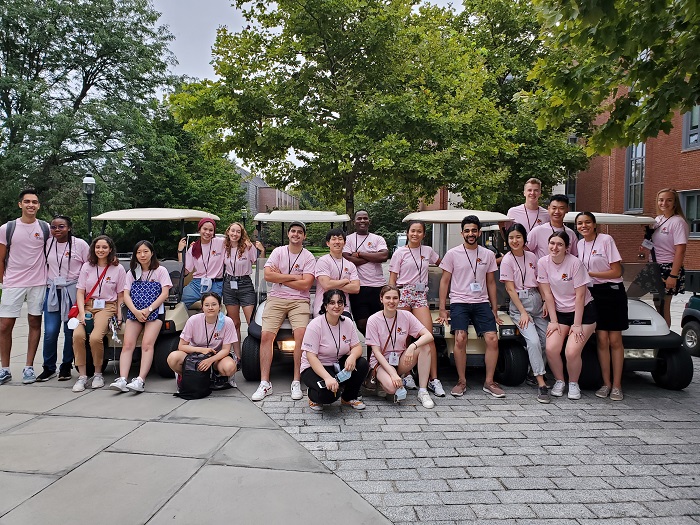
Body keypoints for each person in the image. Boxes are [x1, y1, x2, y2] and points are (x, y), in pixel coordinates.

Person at [437, 215, 505, 398]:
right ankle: (461, 381)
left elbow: (491, 283)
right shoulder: (452, 254)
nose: (471, 233)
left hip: (481, 302)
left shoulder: (488, 254)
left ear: (479, 232)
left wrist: (494, 308)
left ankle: (489, 382)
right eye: (467, 230)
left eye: (474, 230)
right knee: (460, 338)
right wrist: (443, 308)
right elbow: (445, 282)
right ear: (462, 233)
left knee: (492, 338)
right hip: (459, 302)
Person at [252, 221, 315, 401]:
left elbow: (306, 284)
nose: (296, 234)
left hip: (299, 301)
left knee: (301, 335)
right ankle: (265, 383)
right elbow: (268, 275)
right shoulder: (279, 252)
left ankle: (296, 380)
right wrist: (294, 277)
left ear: (304, 236)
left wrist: (281, 278)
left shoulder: (308, 257)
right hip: (277, 298)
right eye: (293, 231)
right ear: (289, 234)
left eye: (299, 232)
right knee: (266, 335)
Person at [388, 220, 445, 397]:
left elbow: (444, 264)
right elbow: (392, 279)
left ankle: (433, 379)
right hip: (403, 293)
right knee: (402, 336)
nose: (415, 234)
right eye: (413, 231)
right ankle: (405, 374)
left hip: (420, 296)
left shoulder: (428, 251)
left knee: (427, 337)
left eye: (419, 231)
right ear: (407, 233)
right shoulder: (400, 253)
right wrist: (392, 299)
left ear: (423, 234)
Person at [537, 231, 597, 400]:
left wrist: (577, 325)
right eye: (552, 243)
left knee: (571, 352)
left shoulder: (575, 263)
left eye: (559, 244)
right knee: (551, 348)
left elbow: (580, 296)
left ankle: (573, 383)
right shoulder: (542, 262)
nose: (555, 247)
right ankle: (560, 380)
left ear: (567, 248)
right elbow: (547, 294)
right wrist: (553, 321)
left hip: (583, 312)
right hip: (560, 313)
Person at [575, 212, 628, 401]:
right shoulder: (579, 244)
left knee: (615, 340)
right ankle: (606, 384)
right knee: (602, 340)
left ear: (595, 224)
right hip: (592, 293)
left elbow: (616, 270)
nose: (584, 226)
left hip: (612, 293)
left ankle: (617, 385)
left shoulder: (606, 240)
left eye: (587, 222)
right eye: (580, 223)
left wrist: (589, 273)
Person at [0, 189, 50, 385]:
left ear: (38, 205)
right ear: (20, 204)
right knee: (4, 326)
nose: (31, 205)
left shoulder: (45, 228)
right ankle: (5, 369)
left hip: (38, 282)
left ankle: (28, 367)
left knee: (35, 323)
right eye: (27, 201)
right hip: (13, 282)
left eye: (35, 202)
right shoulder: (7, 228)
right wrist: (3, 281)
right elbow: (1, 258)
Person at [109, 241, 172, 393]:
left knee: (147, 345)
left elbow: (165, 293)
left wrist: (149, 309)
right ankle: (123, 379)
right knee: (128, 344)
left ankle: (140, 380)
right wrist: (136, 311)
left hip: (155, 312)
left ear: (152, 252)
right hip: (135, 312)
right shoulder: (131, 272)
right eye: (138, 252)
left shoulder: (160, 271)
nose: (142, 255)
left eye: (145, 251)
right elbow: (126, 294)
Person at [500, 223, 550, 403]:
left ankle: (531, 371)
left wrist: (545, 301)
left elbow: (541, 281)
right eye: (511, 237)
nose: (515, 241)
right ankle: (541, 382)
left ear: (524, 239)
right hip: (520, 304)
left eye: (518, 237)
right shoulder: (507, 260)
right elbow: (510, 289)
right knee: (534, 341)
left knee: (547, 340)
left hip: (536, 300)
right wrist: (522, 312)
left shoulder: (532, 256)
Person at [37, 215, 90, 382]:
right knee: (50, 332)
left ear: (69, 228)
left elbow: (90, 265)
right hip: (53, 291)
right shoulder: (47, 243)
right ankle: (48, 367)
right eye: (53, 227)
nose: (57, 230)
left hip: (72, 291)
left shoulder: (80, 244)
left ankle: (66, 366)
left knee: (70, 331)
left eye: (61, 227)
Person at [366, 285, 436, 408]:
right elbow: (376, 352)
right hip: (380, 362)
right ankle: (384, 383)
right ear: (381, 299)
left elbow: (428, 335)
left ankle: (423, 391)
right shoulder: (373, 320)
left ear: (399, 299)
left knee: (425, 347)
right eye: (388, 298)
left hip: (400, 360)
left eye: (395, 298)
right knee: (392, 388)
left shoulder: (406, 316)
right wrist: (392, 373)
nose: (391, 301)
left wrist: (412, 346)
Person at [72, 235, 126, 392]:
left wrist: (120, 315)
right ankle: (82, 376)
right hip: (87, 306)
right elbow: (80, 292)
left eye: (104, 247)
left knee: (96, 337)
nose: (100, 250)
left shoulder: (118, 268)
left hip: (107, 307)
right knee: (77, 336)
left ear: (110, 249)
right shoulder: (87, 266)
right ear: (93, 249)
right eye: (97, 247)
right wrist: (81, 313)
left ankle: (97, 373)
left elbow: (121, 294)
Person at [300, 289, 369, 411]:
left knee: (361, 363)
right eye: (332, 303)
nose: (336, 306)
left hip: (336, 364)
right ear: (325, 306)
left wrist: (352, 356)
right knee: (329, 396)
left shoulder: (347, 322)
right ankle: (313, 395)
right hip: (315, 367)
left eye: (340, 302)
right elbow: (311, 357)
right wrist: (327, 378)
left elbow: (357, 347)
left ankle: (348, 398)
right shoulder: (315, 325)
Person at [167, 292, 238, 387]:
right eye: (207, 305)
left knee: (229, 367)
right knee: (173, 358)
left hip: (217, 355)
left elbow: (226, 349)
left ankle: (216, 376)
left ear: (220, 307)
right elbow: (182, 346)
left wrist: (210, 360)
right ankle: (187, 376)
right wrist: (202, 350)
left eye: (214, 304)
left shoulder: (227, 321)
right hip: (194, 356)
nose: (210, 308)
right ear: (202, 307)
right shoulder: (193, 320)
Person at [342, 210, 389, 336]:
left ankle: (373, 353)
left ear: (369, 221)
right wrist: (373, 255)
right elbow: (347, 259)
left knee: (378, 324)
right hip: (358, 288)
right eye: (359, 218)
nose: (362, 221)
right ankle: (372, 347)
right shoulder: (348, 239)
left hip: (377, 287)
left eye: (365, 218)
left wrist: (359, 254)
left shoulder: (378, 238)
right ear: (354, 221)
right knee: (361, 324)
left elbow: (384, 256)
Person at [222, 222, 264, 358]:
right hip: (229, 284)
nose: (235, 234)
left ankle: (253, 354)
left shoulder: (247, 247)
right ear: (228, 232)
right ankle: (238, 356)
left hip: (245, 284)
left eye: (238, 232)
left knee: (251, 322)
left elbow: (259, 264)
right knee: (234, 323)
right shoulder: (224, 246)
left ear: (241, 234)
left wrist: (262, 251)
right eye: (232, 231)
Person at [648, 188, 689, 327]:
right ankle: (660, 333)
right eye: (661, 200)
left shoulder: (678, 222)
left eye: (669, 200)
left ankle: (665, 337)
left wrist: (673, 275)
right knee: (656, 303)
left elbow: (680, 250)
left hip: (668, 267)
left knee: (664, 304)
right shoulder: (658, 220)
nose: (664, 203)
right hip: (654, 266)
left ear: (675, 203)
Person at [178, 218, 225, 309]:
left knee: (212, 309)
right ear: (199, 230)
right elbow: (185, 271)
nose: (207, 232)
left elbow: (235, 242)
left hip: (216, 283)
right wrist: (180, 251)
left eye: (211, 230)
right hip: (197, 283)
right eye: (205, 229)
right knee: (179, 301)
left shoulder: (221, 242)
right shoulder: (193, 248)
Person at [312, 228, 359, 318]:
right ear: (328, 243)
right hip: (324, 307)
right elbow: (326, 285)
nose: (337, 242)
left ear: (344, 243)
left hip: (343, 309)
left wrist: (332, 283)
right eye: (333, 239)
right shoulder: (323, 261)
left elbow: (356, 288)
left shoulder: (350, 265)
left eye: (340, 239)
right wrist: (345, 281)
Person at [527, 194, 579, 259]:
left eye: (561, 208)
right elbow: (525, 252)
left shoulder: (571, 234)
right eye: (554, 208)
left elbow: (575, 256)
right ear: (548, 209)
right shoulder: (537, 231)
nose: (557, 212)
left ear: (567, 209)